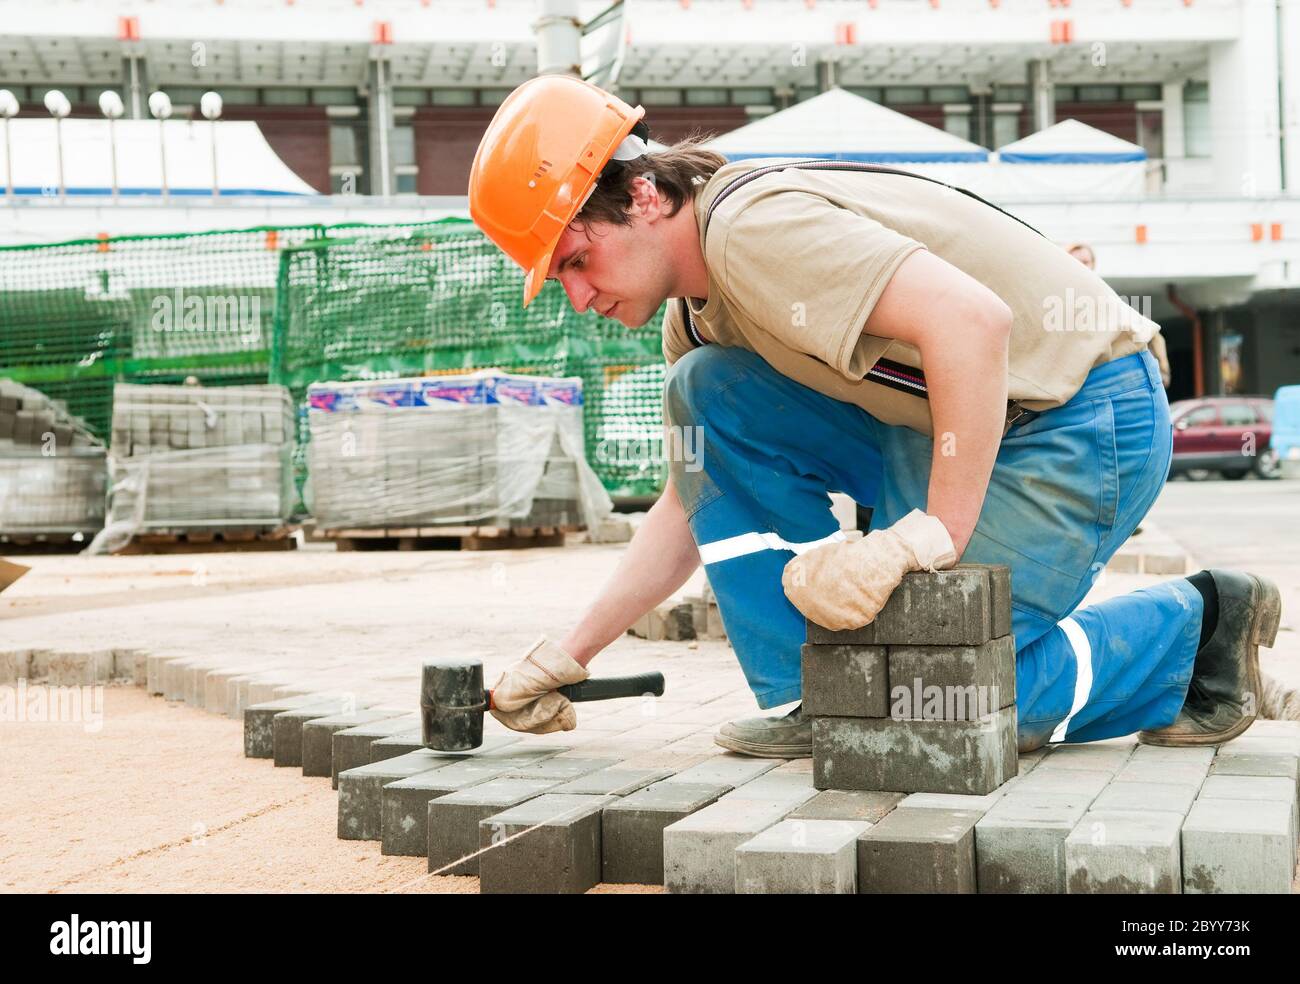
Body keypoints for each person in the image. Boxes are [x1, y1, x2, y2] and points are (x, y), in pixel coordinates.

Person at [469, 76, 1295, 754]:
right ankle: (814, 698)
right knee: (704, 397)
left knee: (927, 701)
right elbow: (692, 500)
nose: (577, 296)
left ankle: (1195, 637)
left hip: (1081, 417)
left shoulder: (753, 230)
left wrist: (931, 531)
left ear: (643, 195)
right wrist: (570, 654)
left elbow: (975, 323)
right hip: (959, 428)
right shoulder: (696, 316)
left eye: (576, 260)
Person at [1066, 242, 1171, 388]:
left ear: (1093, 264)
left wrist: (1161, 371)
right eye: (1076, 261)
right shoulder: (1059, 297)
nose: (1082, 266)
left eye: (1085, 262)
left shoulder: (1104, 294)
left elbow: (1147, 332)